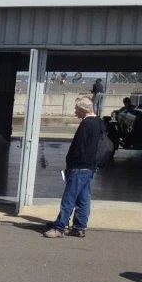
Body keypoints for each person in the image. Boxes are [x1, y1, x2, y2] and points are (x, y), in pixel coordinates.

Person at [44, 96, 105, 238]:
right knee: (84, 198)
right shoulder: (99, 122)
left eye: (76, 109)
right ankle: (79, 227)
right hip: (90, 166)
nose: (75, 111)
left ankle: (60, 227)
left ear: (83, 109)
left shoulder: (86, 124)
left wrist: (70, 163)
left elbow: (79, 147)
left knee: (69, 198)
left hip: (79, 166)